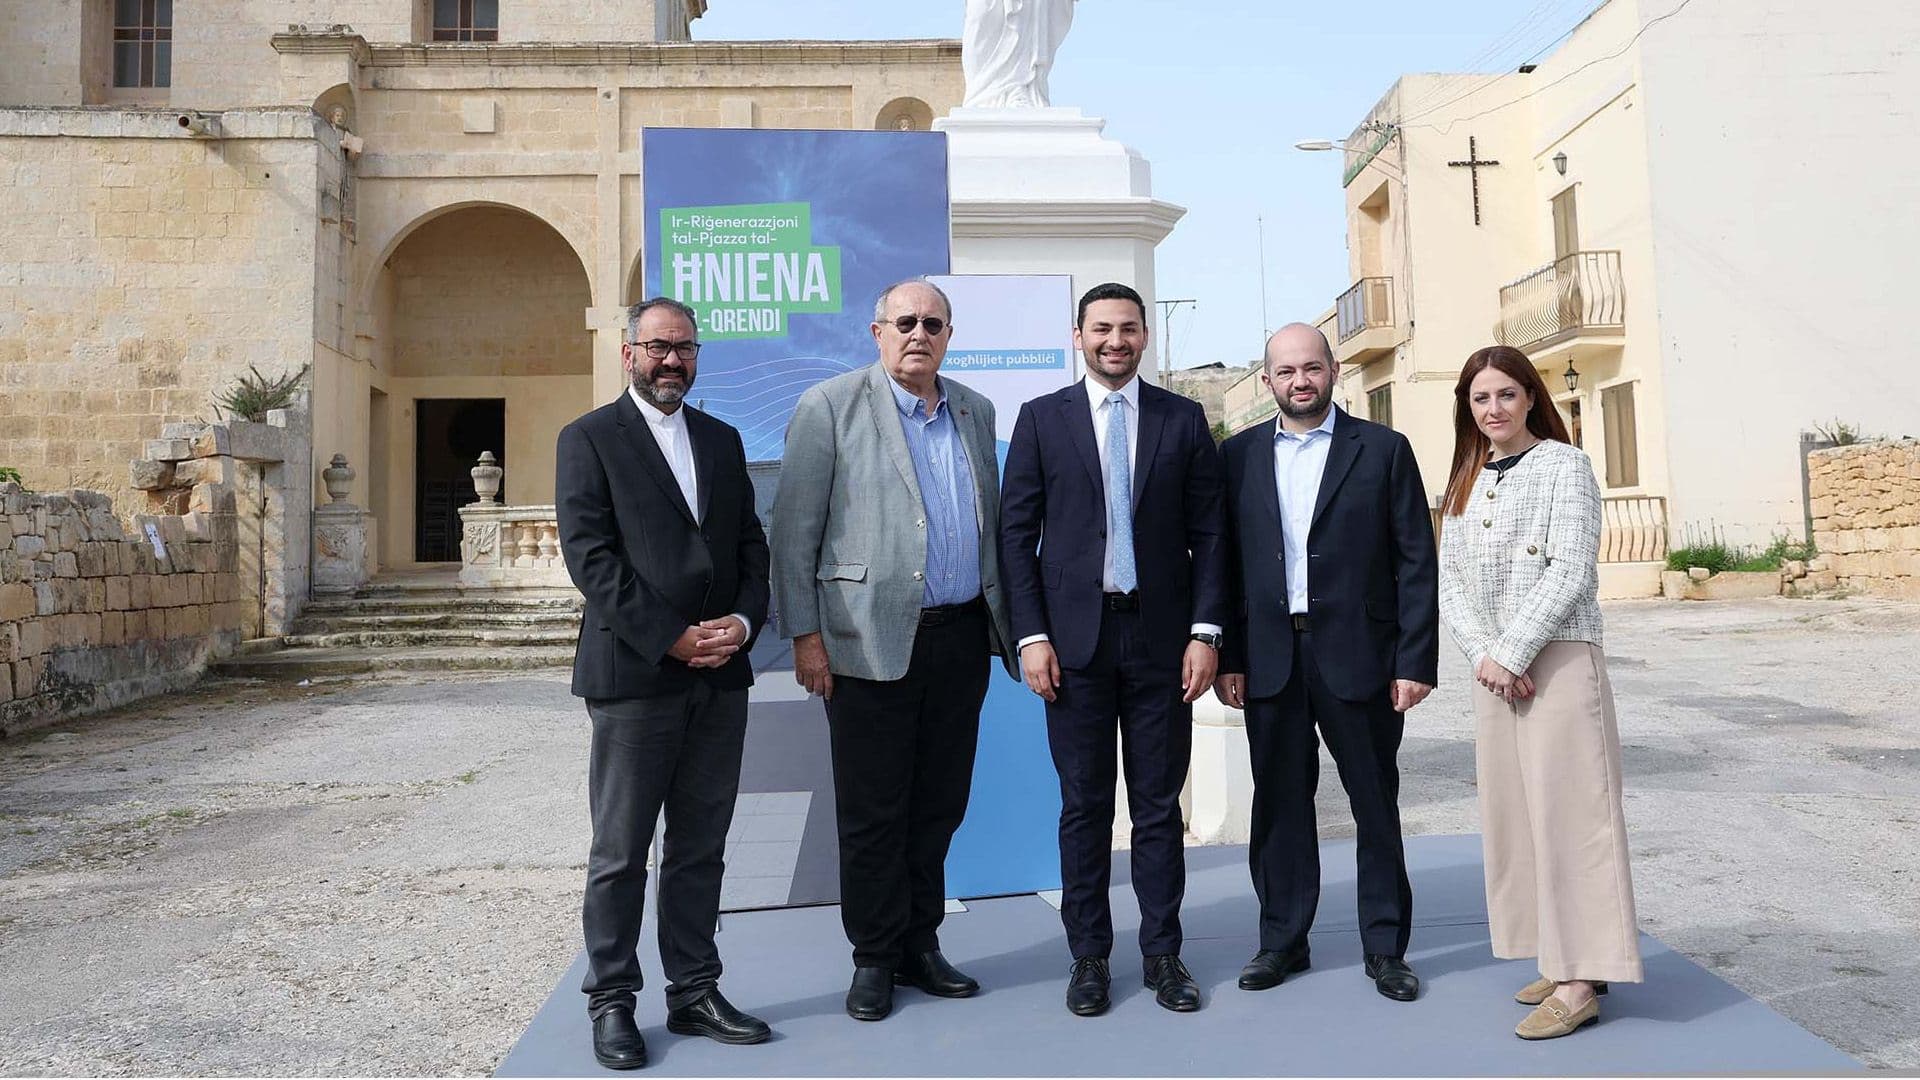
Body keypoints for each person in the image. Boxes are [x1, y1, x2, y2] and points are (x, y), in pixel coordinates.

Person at [769, 278, 1017, 1022]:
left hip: (961, 637)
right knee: (874, 812)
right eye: (905, 321)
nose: (919, 333)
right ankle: (873, 957)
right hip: (864, 640)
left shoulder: (976, 410)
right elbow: (794, 532)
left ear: (949, 334)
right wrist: (807, 638)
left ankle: (920, 943)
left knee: (939, 804)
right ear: (877, 332)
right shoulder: (830, 406)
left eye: (933, 323)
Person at [555, 297, 772, 1070]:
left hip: (720, 673)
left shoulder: (721, 439)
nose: (671, 360)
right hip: (636, 674)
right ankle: (612, 1001)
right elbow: (592, 559)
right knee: (620, 851)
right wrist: (670, 636)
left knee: (701, 846)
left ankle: (694, 992)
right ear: (629, 354)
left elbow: (752, 545)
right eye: (657, 348)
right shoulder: (588, 439)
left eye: (684, 348)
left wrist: (742, 625)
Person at [999, 282, 1227, 1017]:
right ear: (1078, 336)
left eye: (1129, 329)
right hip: (1074, 646)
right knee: (1084, 806)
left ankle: (1163, 954)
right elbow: (1015, 537)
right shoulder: (1040, 421)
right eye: (1102, 329)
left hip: (1163, 644)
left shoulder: (1183, 418)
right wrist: (1031, 636)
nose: (1115, 341)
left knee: (1159, 808)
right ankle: (1089, 958)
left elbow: (1211, 534)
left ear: (1145, 336)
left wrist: (1205, 633)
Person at [1212, 323, 1438, 1004]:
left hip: (1361, 657)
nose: (1300, 381)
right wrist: (1228, 652)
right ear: (1266, 380)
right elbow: (1221, 561)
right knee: (1279, 806)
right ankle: (1282, 941)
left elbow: (1415, 561)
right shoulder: (1238, 456)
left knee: (1375, 803)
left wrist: (1415, 659)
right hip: (1270, 659)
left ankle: (1385, 948)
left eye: (1311, 368)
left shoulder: (1384, 449)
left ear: (1334, 371)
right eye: (1286, 372)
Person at [1435, 345, 1642, 1040]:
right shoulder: (1466, 478)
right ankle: (1559, 955)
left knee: (1575, 818)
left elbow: (1571, 569)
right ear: (1467, 409)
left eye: (1505, 395)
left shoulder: (1565, 465)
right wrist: (1488, 657)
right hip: (1497, 671)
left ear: (1529, 397)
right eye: (1479, 399)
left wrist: (1515, 650)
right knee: (1519, 819)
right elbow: (1451, 583)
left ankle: (1586, 977)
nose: (1493, 409)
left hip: (1557, 661)